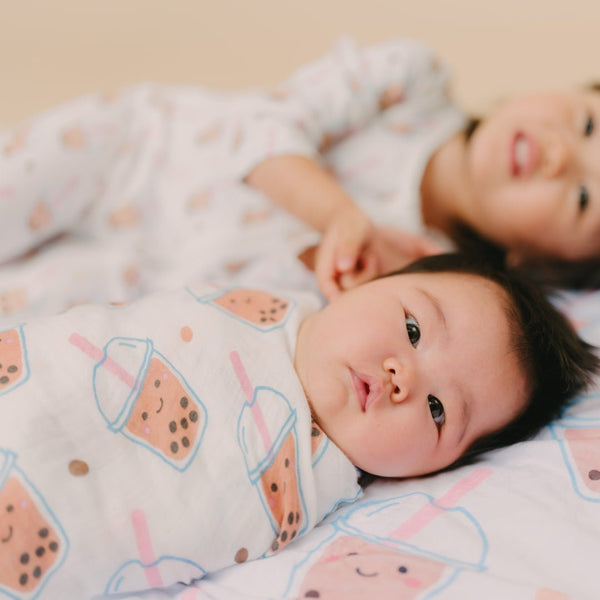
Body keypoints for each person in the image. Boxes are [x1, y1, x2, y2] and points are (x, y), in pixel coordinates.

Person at [0, 253, 596, 597]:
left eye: (438, 411)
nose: (403, 377)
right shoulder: (272, 290)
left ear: (433, 468)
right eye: (413, 329)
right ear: (367, 281)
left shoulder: (314, 491)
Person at [1, 37, 599, 326]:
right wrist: (341, 217)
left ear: (538, 262)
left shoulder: (436, 279)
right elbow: (263, 129)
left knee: (32, 317)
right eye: (588, 124)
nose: (559, 156)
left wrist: (365, 281)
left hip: (155, 276)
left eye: (582, 197)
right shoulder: (413, 83)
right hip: (134, 158)